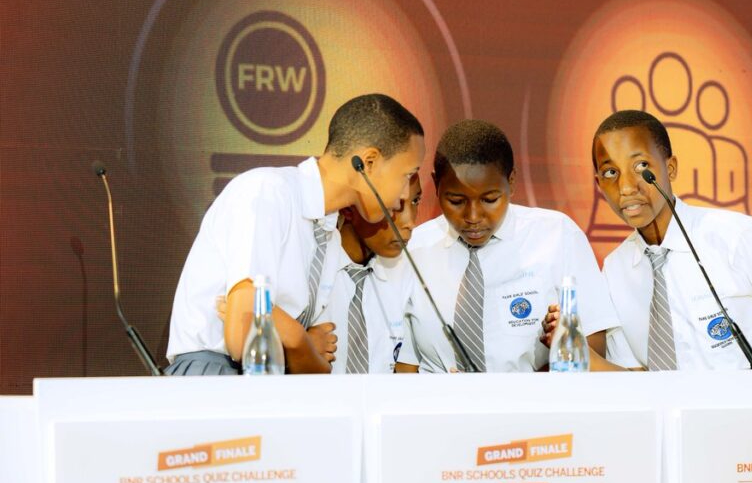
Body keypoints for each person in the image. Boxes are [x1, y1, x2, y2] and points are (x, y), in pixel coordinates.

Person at [165, 94, 425, 375]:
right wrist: (299, 339)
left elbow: (311, 361)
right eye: (406, 175)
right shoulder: (268, 192)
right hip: (215, 379)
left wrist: (289, 335)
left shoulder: (329, 235)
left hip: (275, 381)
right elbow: (244, 336)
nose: (403, 195)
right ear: (369, 162)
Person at [586, 110, 752, 370]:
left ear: (670, 168)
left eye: (641, 166)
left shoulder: (737, 237)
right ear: (599, 184)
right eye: (610, 172)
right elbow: (633, 372)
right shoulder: (615, 270)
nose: (626, 187)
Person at [395, 120, 623, 373]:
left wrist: (561, 346)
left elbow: (594, 348)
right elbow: (405, 364)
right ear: (437, 185)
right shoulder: (411, 251)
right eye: (456, 201)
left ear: (511, 181)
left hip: (533, 398)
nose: (473, 216)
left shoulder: (558, 235)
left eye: (490, 199)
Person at [314, 175, 423, 373]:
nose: (409, 222)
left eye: (415, 201)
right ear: (348, 208)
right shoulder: (312, 268)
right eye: (394, 204)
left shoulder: (407, 271)